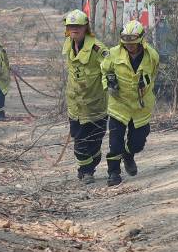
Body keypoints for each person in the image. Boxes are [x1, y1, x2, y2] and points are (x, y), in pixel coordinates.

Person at [99, 20, 159, 186]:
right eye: (126, 41)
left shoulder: (152, 56)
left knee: (138, 142)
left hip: (140, 106)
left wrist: (144, 84)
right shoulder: (113, 54)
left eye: (132, 42)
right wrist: (108, 83)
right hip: (119, 105)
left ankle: (129, 154)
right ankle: (113, 173)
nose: (129, 45)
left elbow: (153, 76)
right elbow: (104, 71)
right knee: (115, 142)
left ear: (140, 40)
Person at [61, 9, 109, 184]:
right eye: (71, 26)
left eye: (78, 26)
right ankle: (86, 171)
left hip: (96, 106)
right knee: (80, 140)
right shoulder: (68, 44)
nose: (74, 29)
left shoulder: (97, 49)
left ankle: (88, 167)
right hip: (75, 106)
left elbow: (109, 67)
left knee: (95, 143)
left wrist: (110, 81)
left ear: (85, 28)